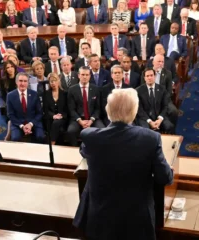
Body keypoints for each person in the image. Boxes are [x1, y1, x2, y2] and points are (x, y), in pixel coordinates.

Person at [73, 87, 173, 240]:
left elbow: (85, 152)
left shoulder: (91, 137)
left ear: (108, 111)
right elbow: (165, 178)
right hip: (137, 221)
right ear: (134, 111)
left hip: (101, 219)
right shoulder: (150, 139)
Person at [66, 66, 105, 146]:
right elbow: (71, 109)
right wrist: (80, 121)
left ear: (90, 76)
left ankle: (97, 151)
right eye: (83, 74)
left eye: (87, 75)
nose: (85, 77)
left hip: (92, 118)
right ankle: (75, 150)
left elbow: (98, 108)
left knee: (102, 130)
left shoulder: (96, 89)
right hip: (77, 118)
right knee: (71, 131)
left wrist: (91, 120)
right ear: (78, 75)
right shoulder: (72, 89)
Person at [6, 72, 44, 143]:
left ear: (28, 83)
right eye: (20, 81)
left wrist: (30, 124)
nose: (22, 83)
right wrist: (22, 126)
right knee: (15, 138)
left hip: (33, 122)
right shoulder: (10, 96)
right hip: (18, 123)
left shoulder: (34, 94)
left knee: (40, 136)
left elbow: (39, 113)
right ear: (16, 82)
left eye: (25, 81)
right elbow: (10, 115)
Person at [137, 68, 175, 133]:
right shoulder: (138, 91)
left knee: (169, 126)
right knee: (145, 130)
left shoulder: (162, 89)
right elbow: (140, 110)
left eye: (151, 75)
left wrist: (160, 119)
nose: (149, 78)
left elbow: (165, 106)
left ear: (155, 76)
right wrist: (150, 121)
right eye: (147, 76)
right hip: (145, 118)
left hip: (159, 116)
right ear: (144, 78)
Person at [44, 73, 67, 145]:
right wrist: (53, 116)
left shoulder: (65, 93)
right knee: (58, 128)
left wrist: (61, 116)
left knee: (56, 123)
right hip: (50, 118)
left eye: (55, 80)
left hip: (63, 118)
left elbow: (67, 109)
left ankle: (52, 144)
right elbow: (45, 109)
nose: (53, 83)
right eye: (51, 81)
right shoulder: (46, 94)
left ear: (58, 81)